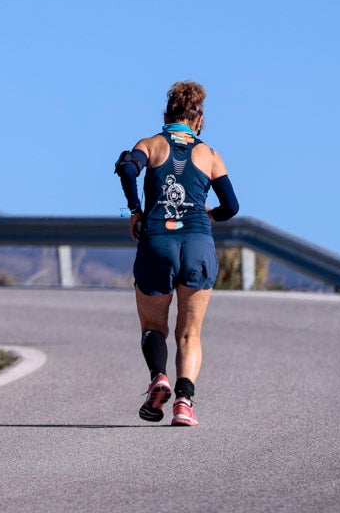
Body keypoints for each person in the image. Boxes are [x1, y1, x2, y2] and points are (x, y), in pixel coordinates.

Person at [114, 80, 239, 426]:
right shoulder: (209, 154)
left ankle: (159, 378)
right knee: (190, 333)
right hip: (197, 244)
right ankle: (184, 402)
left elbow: (127, 168)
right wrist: (205, 216)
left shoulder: (151, 144)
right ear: (198, 119)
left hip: (157, 242)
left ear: (167, 113)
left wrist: (135, 209)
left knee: (154, 327)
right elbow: (231, 206)